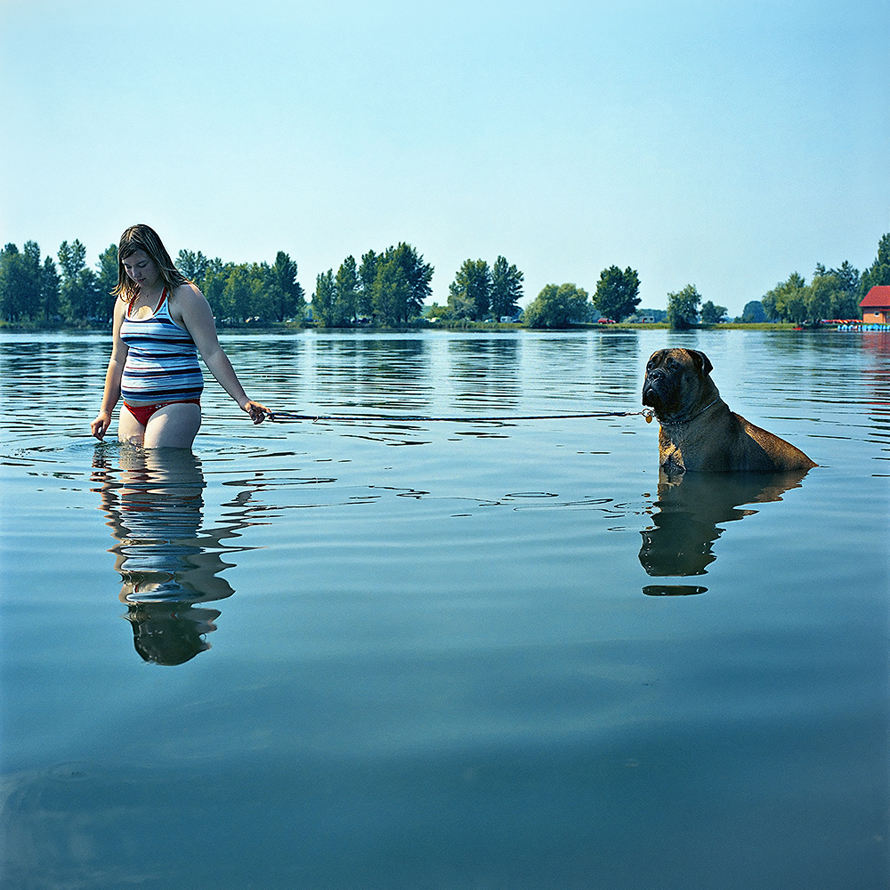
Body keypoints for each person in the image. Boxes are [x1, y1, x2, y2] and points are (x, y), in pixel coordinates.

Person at [91, 224, 268, 448]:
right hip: (132, 409)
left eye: (142, 265)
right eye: (128, 267)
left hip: (176, 405)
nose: (136, 274)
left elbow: (212, 353)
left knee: (158, 468)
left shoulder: (185, 296)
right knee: (132, 480)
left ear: (157, 257)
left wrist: (243, 400)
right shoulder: (125, 300)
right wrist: (105, 411)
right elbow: (117, 359)